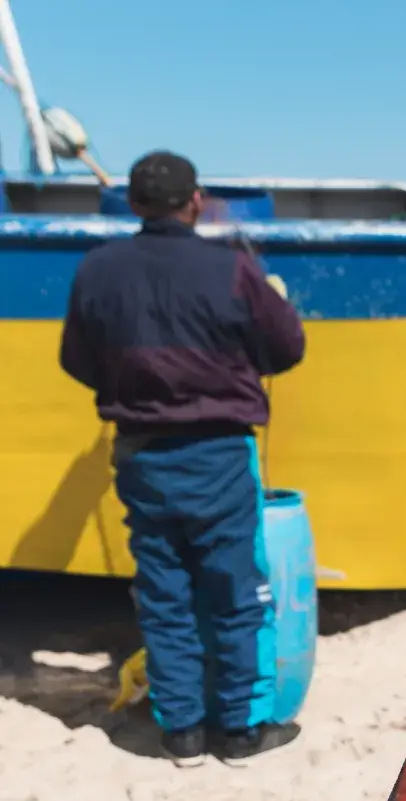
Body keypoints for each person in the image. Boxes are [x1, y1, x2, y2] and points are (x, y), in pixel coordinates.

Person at [58, 151, 307, 767]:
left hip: (142, 457)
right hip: (219, 454)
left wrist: (130, 386)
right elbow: (286, 348)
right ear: (194, 201)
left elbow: (76, 360)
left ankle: (182, 734)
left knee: (165, 591)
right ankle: (241, 732)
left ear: (136, 205)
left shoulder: (98, 270)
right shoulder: (231, 270)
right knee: (235, 591)